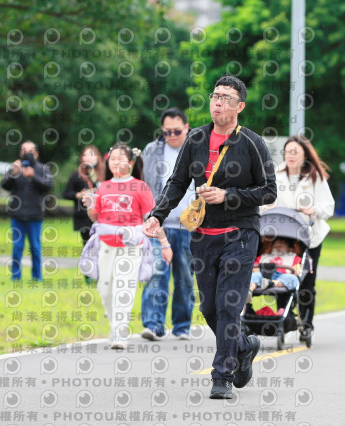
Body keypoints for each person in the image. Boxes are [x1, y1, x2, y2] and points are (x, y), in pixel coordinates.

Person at [143, 75, 277, 399]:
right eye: (215, 95)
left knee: (229, 306)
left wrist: (229, 195)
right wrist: (157, 214)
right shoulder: (196, 139)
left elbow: (269, 191)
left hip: (240, 233)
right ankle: (243, 347)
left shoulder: (252, 143)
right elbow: (177, 182)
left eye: (226, 98)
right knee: (209, 308)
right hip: (203, 234)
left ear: (240, 106)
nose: (218, 102)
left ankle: (222, 377)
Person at [82, 142, 163, 350]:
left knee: (123, 286)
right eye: (113, 158)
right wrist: (90, 205)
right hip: (106, 244)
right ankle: (114, 327)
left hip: (131, 245)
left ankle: (120, 332)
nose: (116, 162)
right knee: (105, 289)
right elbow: (95, 217)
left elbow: (151, 218)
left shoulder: (140, 186)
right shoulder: (103, 187)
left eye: (121, 158)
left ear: (130, 162)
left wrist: (163, 243)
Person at [266, 135, 334, 343]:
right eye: (288, 152)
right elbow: (267, 200)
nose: (291, 156)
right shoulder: (276, 174)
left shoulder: (314, 177)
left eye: (295, 152)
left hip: (310, 237)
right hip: (283, 236)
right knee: (282, 277)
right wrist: (267, 207)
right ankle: (285, 320)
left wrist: (314, 210)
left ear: (304, 155)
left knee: (306, 283)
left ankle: (307, 324)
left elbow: (328, 206)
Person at [140, 107, 196, 341]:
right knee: (156, 273)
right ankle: (153, 324)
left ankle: (182, 326)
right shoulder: (151, 151)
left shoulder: (197, 149)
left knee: (185, 277)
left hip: (187, 226)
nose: (171, 136)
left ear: (186, 128)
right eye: (166, 132)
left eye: (176, 131)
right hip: (157, 224)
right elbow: (143, 184)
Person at [0, 141, 53, 281]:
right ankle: (15, 276)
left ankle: (37, 276)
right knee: (17, 247)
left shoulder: (42, 169)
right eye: (24, 150)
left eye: (30, 151)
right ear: (20, 153)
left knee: (35, 248)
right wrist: (13, 173)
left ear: (36, 153)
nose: (27, 154)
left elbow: (48, 185)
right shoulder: (15, 168)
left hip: (35, 216)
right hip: (17, 216)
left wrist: (33, 176)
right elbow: (4, 185)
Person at [63, 146, 106, 246]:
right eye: (85, 155)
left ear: (97, 157)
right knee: (88, 246)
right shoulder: (77, 174)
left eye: (91, 155)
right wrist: (78, 195)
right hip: (84, 217)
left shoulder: (104, 173)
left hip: (102, 215)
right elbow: (66, 193)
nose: (88, 158)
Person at [247, 237, 302, 303]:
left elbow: (296, 270)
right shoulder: (264, 256)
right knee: (253, 276)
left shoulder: (294, 257)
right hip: (263, 274)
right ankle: (249, 291)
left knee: (293, 279)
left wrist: (296, 271)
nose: (278, 246)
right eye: (276, 245)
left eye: (281, 245)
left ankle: (271, 283)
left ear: (290, 249)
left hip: (282, 276)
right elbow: (254, 268)